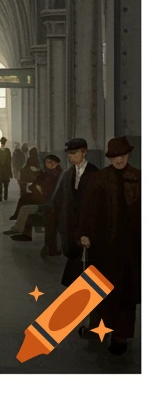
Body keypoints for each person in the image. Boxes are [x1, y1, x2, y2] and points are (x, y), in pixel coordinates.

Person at [77, 137, 139, 356]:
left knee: (125, 293)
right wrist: (84, 233)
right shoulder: (100, 178)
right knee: (101, 288)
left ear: (128, 155)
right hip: (103, 243)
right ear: (110, 158)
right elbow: (87, 208)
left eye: (123, 156)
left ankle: (120, 336)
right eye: (115, 157)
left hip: (131, 246)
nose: (119, 160)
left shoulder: (139, 178)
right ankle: (99, 328)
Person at [51, 138, 100, 286]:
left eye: (74, 153)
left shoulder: (95, 174)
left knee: (86, 268)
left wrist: (90, 232)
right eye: (69, 154)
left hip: (89, 228)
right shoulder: (67, 174)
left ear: (84, 152)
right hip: (71, 229)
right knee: (76, 267)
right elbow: (58, 200)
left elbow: (98, 206)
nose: (71, 157)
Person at [4, 153, 62, 242]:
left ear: (57, 163)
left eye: (51, 162)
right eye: (47, 162)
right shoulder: (48, 173)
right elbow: (36, 185)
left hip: (48, 203)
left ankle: (20, 230)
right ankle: (18, 228)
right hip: (45, 199)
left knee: (25, 208)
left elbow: (49, 190)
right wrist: (38, 188)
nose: (49, 164)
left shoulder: (55, 175)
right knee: (25, 199)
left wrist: (40, 189)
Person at [9, 147, 41, 219]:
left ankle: (17, 215)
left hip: (36, 190)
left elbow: (32, 172)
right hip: (30, 182)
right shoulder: (35, 160)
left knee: (23, 197)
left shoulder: (32, 160)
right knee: (23, 196)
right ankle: (17, 215)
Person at [0, 137, 14, 202]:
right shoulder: (7, 151)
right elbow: (9, 162)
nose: (3, 144)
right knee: (4, 184)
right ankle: (3, 195)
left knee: (3, 184)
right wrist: (10, 173)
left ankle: (2, 195)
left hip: (2, 170)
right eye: (3, 143)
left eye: (3, 143)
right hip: (4, 170)